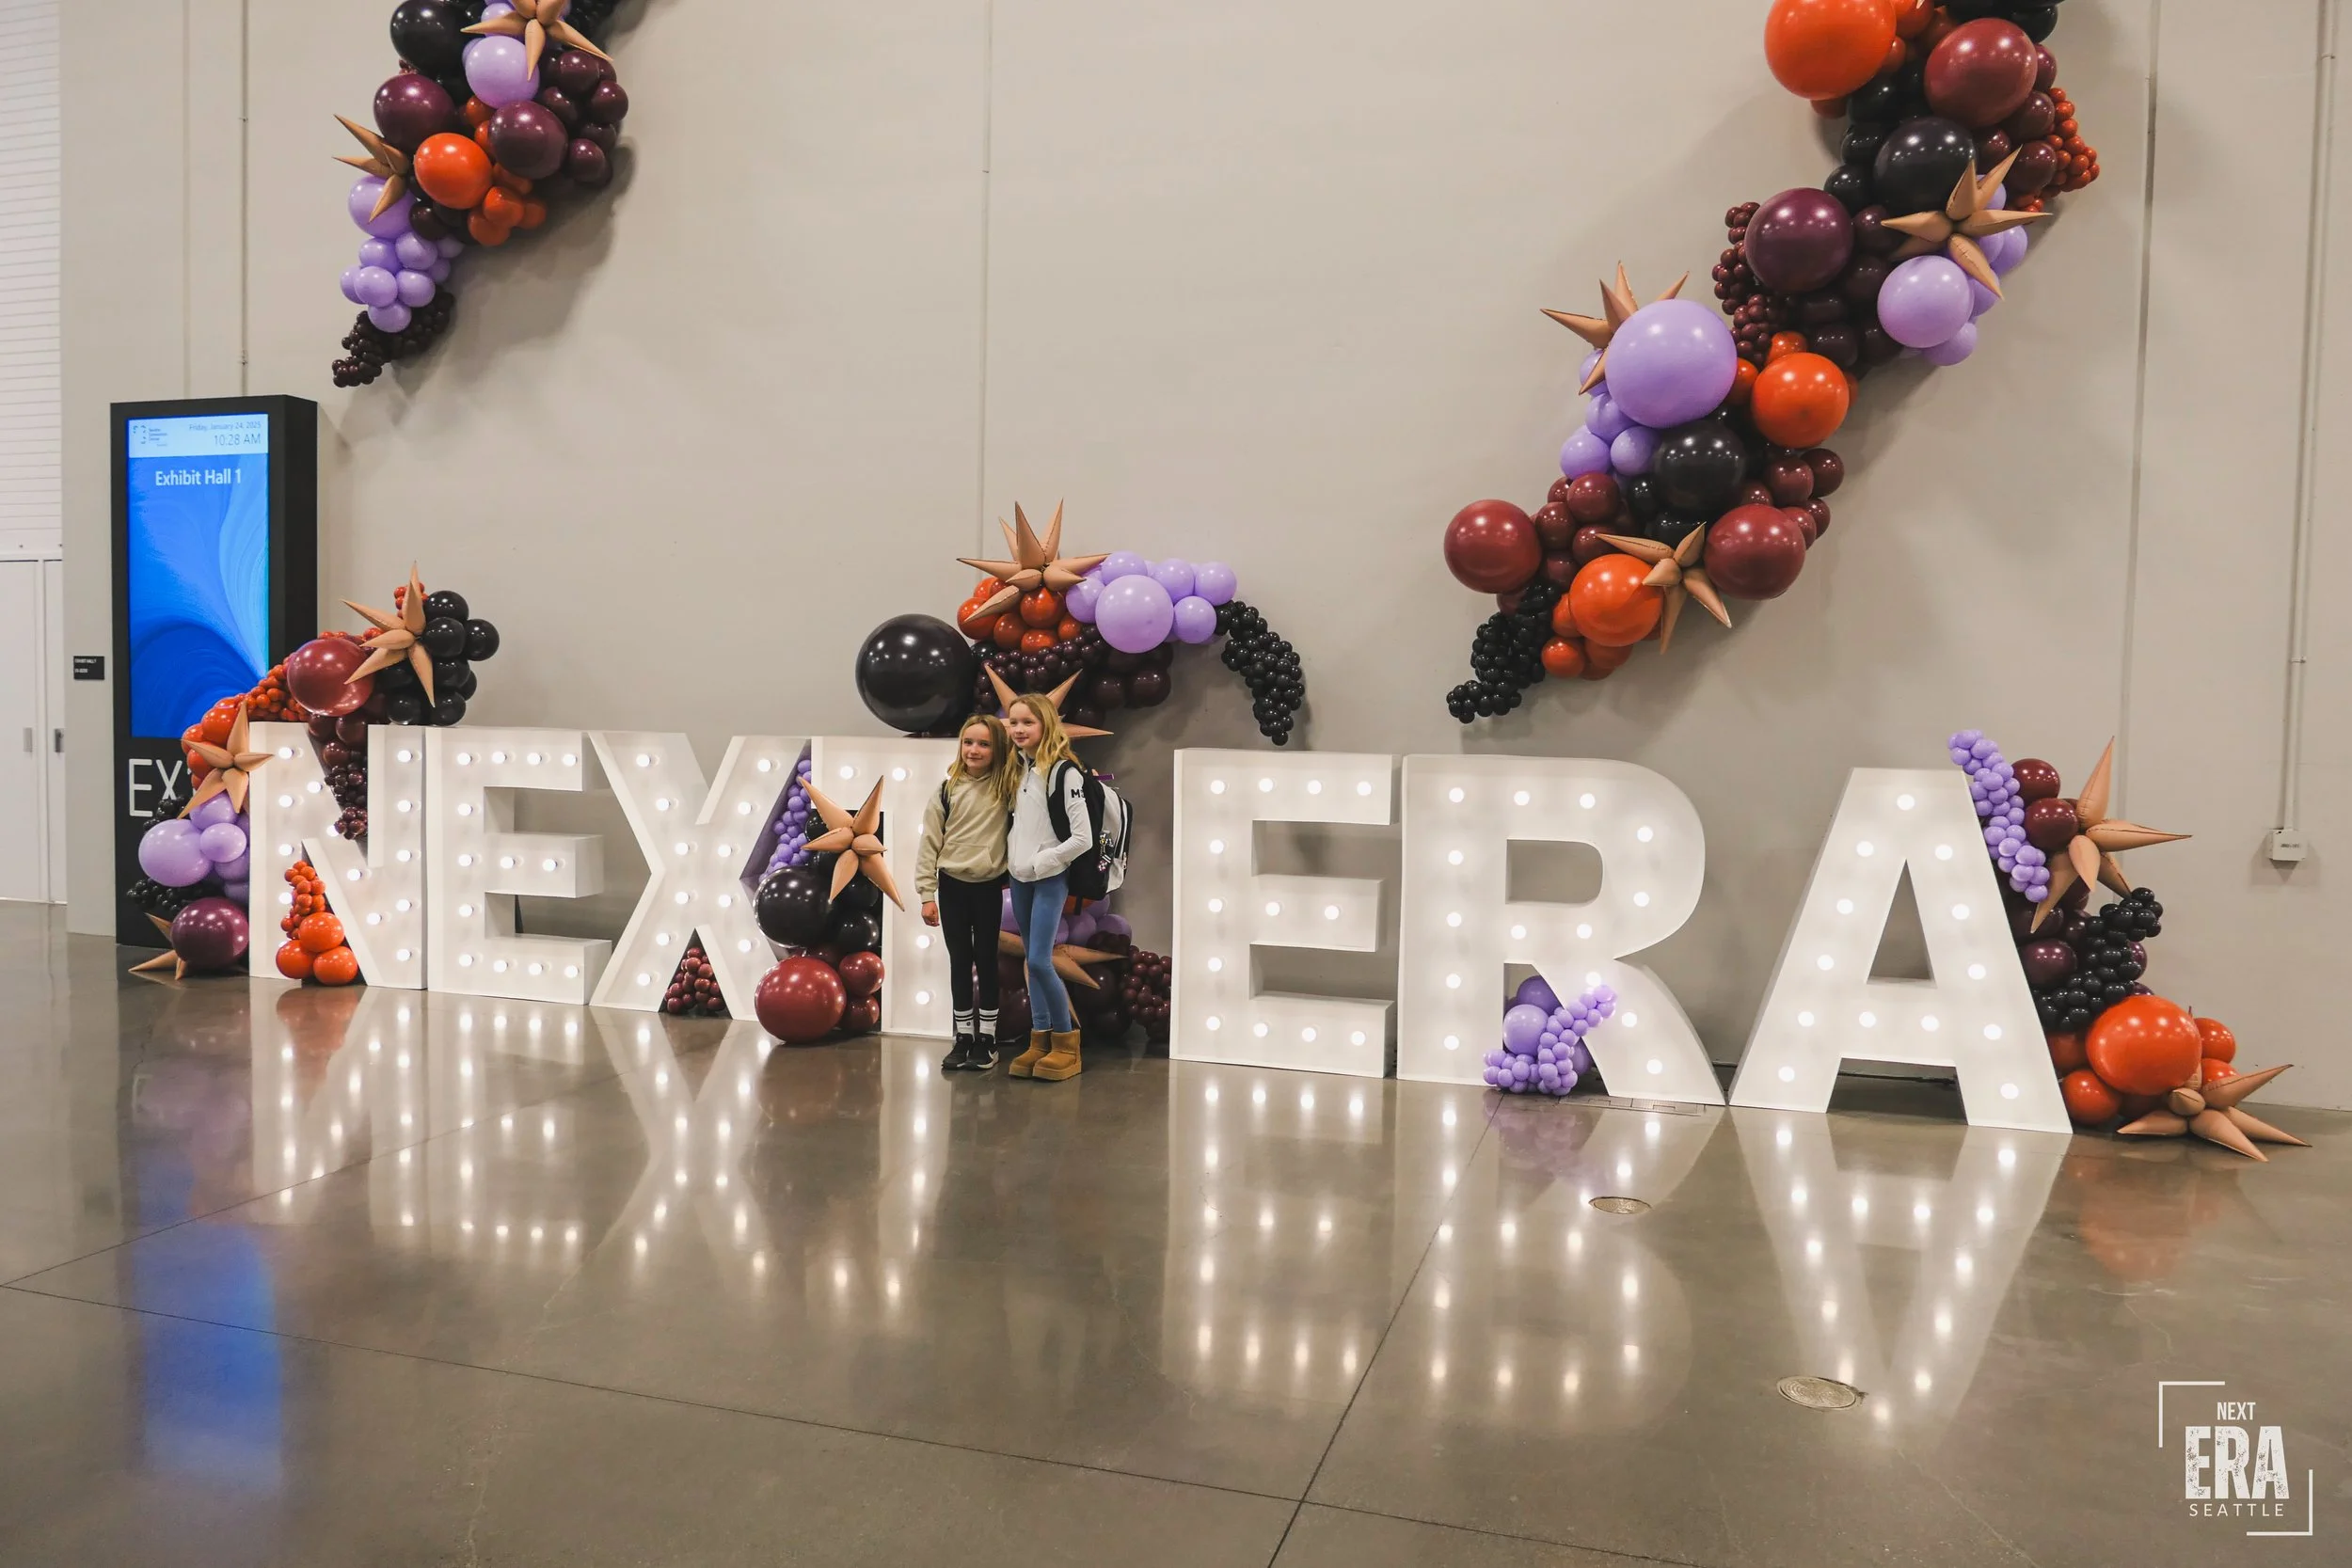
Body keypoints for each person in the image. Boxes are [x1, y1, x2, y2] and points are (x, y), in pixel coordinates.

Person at [919, 714, 1017, 1072]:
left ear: (997, 749)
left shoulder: (1007, 788)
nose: (974, 750)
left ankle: (987, 1039)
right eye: (968, 742)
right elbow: (929, 844)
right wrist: (926, 894)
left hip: (988, 887)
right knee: (959, 962)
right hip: (952, 887)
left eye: (984, 744)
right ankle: (962, 1037)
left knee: (986, 961)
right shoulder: (946, 791)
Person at [1003, 693, 1091, 1081]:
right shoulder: (1017, 770)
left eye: (1028, 722)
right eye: (1014, 722)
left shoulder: (1065, 773)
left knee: (1040, 960)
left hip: (1050, 878)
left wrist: (1044, 861)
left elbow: (1083, 838)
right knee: (1031, 961)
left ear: (1046, 725)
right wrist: (1016, 864)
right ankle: (1039, 1041)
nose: (1019, 729)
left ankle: (1066, 1044)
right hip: (1019, 878)